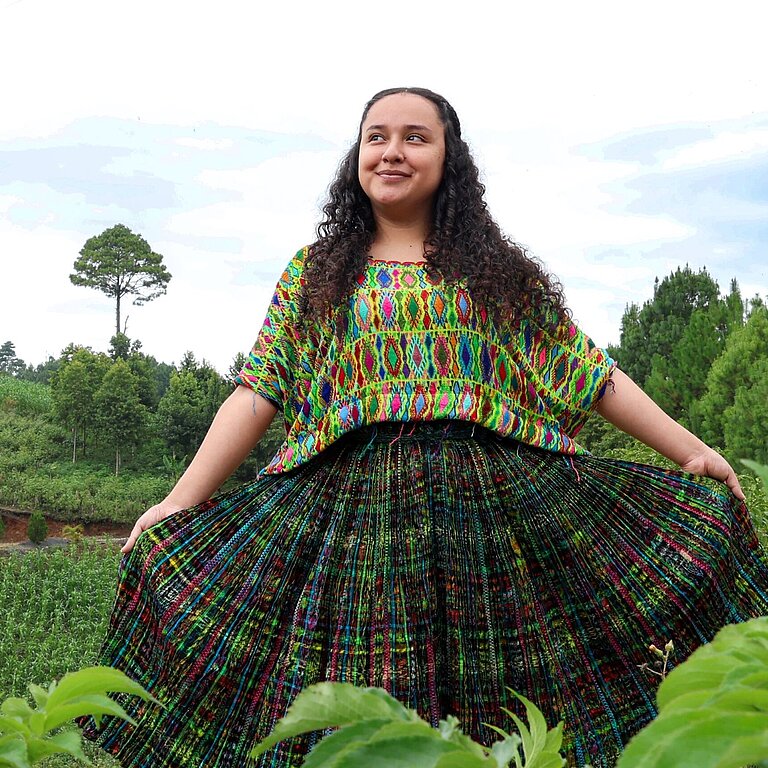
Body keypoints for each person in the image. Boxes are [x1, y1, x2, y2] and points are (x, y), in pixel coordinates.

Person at [83, 87, 768, 768]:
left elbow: (590, 375)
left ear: (448, 157)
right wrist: (177, 503)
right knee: (362, 712)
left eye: (416, 136)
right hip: (353, 522)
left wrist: (693, 449)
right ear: (358, 154)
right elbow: (258, 392)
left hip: (494, 519)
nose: (392, 151)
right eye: (377, 136)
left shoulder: (498, 274)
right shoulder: (316, 274)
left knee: (506, 711)